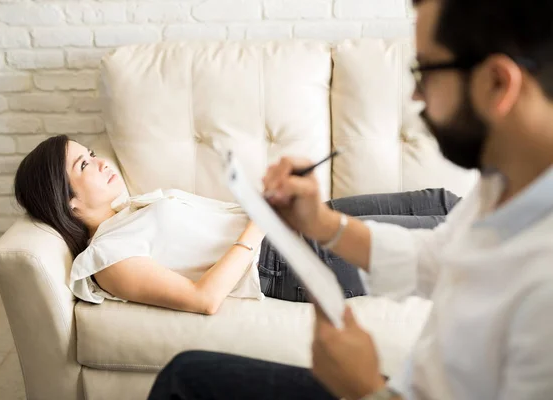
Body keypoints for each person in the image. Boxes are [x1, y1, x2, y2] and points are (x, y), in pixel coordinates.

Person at [148, 0, 553, 399]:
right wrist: (320, 224)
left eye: (425, 71)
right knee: (187, 376)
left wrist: (364, 388)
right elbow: (431, 257)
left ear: (498, 83)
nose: (415, 95)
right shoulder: (505, 178)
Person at [14, 134, 459, 314]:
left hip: (289, 223)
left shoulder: (132, 209)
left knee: (438, 201)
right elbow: (203, 298)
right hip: (287, 260)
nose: (100, 161)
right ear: (66, 200)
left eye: (92, 153)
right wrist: (259, 224)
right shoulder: (106, 258)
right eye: (84, 164)